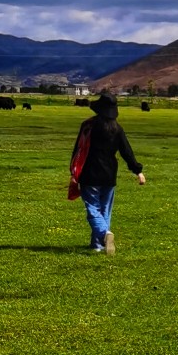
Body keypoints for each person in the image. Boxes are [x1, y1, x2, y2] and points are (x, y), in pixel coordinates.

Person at [69, 93, 145, 254]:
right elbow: (127, 152)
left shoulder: (88, 126)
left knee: (92, 209)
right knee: (105, 209)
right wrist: (138, 171)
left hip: (89, 173)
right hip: (109, 174)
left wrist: (73, 171)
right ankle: (98, 245)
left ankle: (105, 234)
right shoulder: (117, 129)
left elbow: (79, 149)